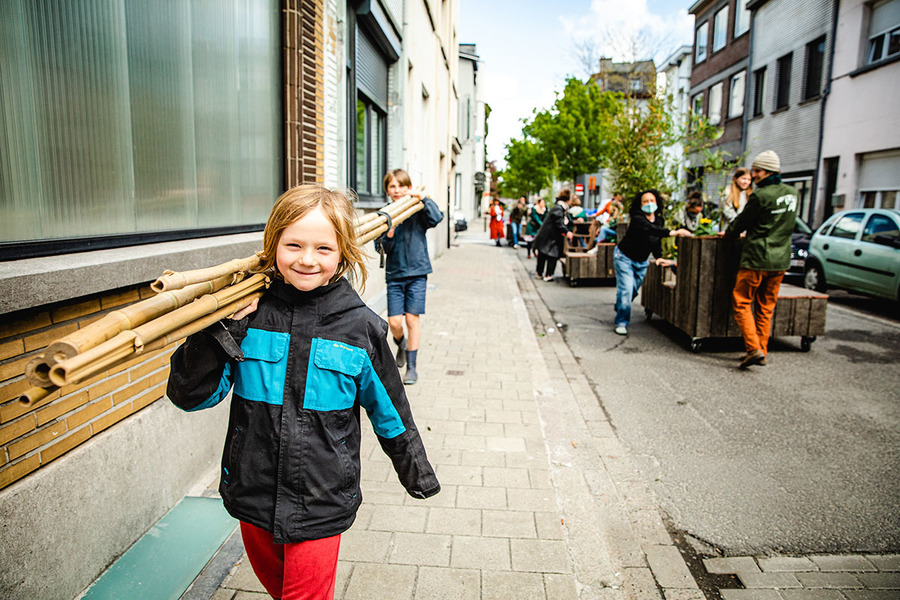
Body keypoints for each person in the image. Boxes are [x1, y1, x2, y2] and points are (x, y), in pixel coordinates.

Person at [166, 185, 441, 600]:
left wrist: (416, 471)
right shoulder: (248, 316)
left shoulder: (360, 327)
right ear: (273, 243)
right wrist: (219, 329)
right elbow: (192, 395)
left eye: (323, 249)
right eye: (293, 244)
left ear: (343, 253)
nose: (307, 259)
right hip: (252, 490)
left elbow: (390, 411)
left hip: (322, 498)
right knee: (279, 590)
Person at [724, 150, 798, 369]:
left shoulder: (761, 195)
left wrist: (729, 235)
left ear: (767, 171)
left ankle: (753, 348)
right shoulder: (793, 193)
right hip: (780, 260)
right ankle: (761, 351)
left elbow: (740, 224)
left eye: (757, 171)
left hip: (757, 257)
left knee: (742, 301)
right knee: (766, 306)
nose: (754, 175)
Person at [378, 169, 444, 384]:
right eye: (393, 186)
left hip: (417, 271)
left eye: (401, 186)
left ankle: (412, 368)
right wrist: (389, 234)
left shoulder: (417, 208)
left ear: (408, 187)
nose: (397, 190)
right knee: (394, 322)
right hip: (395, 274)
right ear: (387, 190)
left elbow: (436, 218)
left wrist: (423, 199)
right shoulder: (384, 214)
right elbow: (381, 247)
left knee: (411, 319)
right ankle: (402, 345)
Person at [613, 190, 692, 335]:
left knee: (633, 291)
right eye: (645, 201)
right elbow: (650, 229)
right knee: (626, 289)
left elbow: (655, 240)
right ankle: (621, 322)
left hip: (642, 262)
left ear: (657, 203)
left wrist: (659, 256)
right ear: (640, 204)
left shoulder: (659, 220)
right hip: (624, 257)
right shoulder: (637, 218)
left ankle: (621, 305)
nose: (649, 204)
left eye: (652, 201)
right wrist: (672, 232)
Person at [533, 189, 575, 281]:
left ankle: (540, 273)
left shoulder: (558, 207)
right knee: (552, 255)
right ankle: (548, 275)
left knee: (543, 254)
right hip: (551, 236)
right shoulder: (559, 208)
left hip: (547, 235)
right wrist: (567, 231)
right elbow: (559, 222)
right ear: (567, 200)